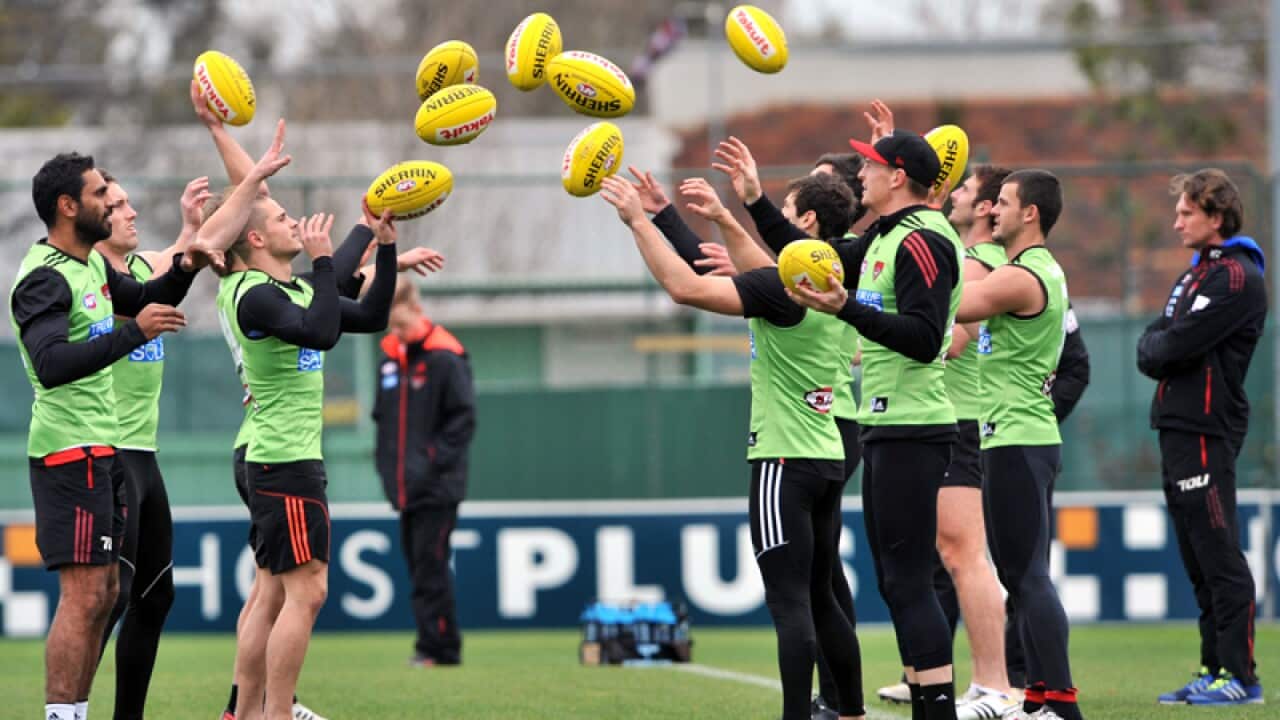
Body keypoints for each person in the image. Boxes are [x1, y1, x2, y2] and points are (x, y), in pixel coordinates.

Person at [191, 80, 440, 720]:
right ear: (252, 240)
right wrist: (330, 260)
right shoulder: (257, 294)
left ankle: (243, 713)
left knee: (271, 595)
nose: (290, 221)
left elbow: (371, 312)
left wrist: (381, 246)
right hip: (282, 459)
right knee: (307, 592)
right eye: (279, 221)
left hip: (273, 454)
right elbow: (326, 326)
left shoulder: (284, 288)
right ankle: (275, 713)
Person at [600, 172, 864, 720]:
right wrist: (677, 215)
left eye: (784, 209)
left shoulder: (779, 291)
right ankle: (851, 711)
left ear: (805, 223)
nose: (770, 223)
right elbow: (751, 267)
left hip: (782, 458)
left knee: (789, 602)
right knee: (821, 595)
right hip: (829, 457)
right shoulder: (841, 287)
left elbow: (685, 288)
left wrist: (637, 221)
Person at [11, 151, 210, 720]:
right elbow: (49, 363)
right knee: (82, 597)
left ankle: (76, 712)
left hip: (103, 451)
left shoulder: (91, 268)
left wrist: (187, 265)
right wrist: (131, 336)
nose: (110, 201)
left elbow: (147, 302)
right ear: (68, 207)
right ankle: (60, 715)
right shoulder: (44, 278)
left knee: (105, 595)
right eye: (100, 194)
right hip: (67, 452)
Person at [789, 126, 966, 720]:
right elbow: (804, 256)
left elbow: (922, 339)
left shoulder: (922, 240)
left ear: (897, 178)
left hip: (915, 427)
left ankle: (936, 711)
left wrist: (849, 309)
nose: (857, 175)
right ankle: (927, 704)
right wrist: (749, 206)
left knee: (911, 581)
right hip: (890, 427)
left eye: (868, 166)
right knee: (897, 582)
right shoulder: (885, 236)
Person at [952, 170, 1080, 720]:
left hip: (1019, 439)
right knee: (1020, 576)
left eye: (1002, 202)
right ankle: (1038, 699)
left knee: (1028, 577)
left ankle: (1062, 704)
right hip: (1013, 438)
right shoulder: (1025, 270)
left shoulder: (1024, 276)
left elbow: (952, 303)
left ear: (1030, 213)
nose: (992, 209)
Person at [1138, 169, 1265, 706]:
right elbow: (1152, 345)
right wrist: (1164, 343)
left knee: (1218, 554)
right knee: (1196, 558)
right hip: (1176, 425)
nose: (1177, 222)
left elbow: (1171, 346)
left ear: (1216, 217)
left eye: (1187, 213)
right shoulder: (1196, 275)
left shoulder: (1237, 277)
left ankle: (1240, 677)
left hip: (1207, 428)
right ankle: (1214, 670)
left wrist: (1165, 343)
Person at [92, 171, 211, 720]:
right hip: (106, 452)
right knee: (104, 599)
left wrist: (194, 223)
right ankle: (67, 710)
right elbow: (148, 292)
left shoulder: (145, 270)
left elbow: (197, 254)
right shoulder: (90, 278)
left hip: (145, 455)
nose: (132, 212)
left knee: (156, 596)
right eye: (117, 205)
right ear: (94, 218)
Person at [372, 279, 476, 667]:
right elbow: (383, 419)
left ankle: (440, 648)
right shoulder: (389, 359)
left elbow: (462, 421)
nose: (394, 334)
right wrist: (388, 468)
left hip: (437, 487)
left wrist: (430, 462)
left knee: (431, 568)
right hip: (404, 486)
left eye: (399, 325)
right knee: (419, 567)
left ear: (415, 311)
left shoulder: (445, 357)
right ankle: (432, 643)